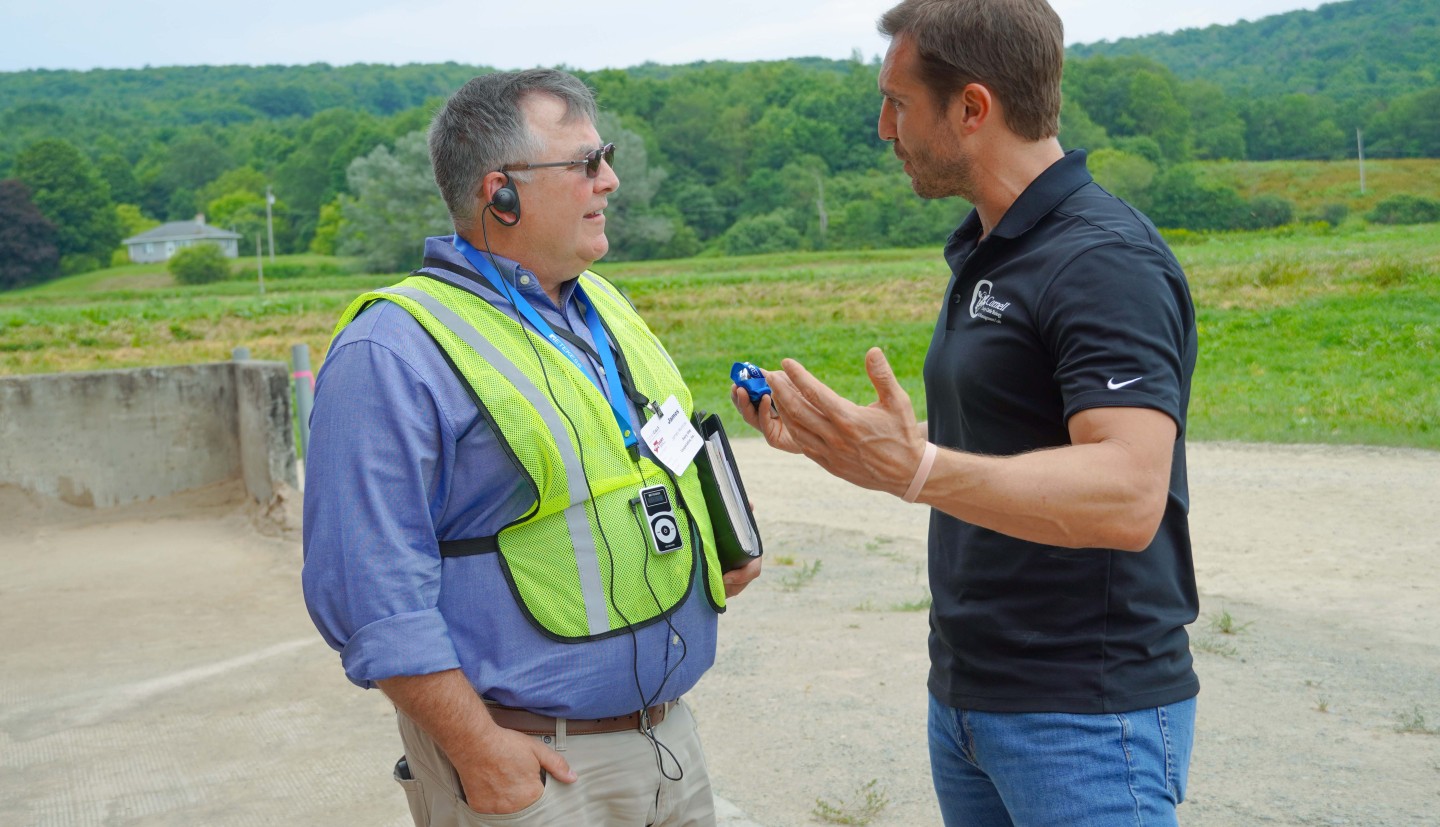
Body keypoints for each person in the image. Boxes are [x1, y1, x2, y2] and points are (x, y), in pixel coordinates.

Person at [732, 1, 1199, 824]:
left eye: (900, 102)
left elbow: (1130, 493)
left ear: (974, 108)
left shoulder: (1100, 259)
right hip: (970, 697)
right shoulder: (990, 248)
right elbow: (985, 456)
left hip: (1082, 716)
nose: (884, 127)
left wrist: (915, 468)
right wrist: (847, 447)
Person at [303, 68, 761, 827]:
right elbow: (370, 589)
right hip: (534, 766)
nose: (609, 179)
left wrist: (723, 535)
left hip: (666, 739)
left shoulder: (601, 306)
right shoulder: (393, 349)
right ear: (499, 194)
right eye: (585, 162)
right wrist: (480, 750)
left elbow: (651, 448)